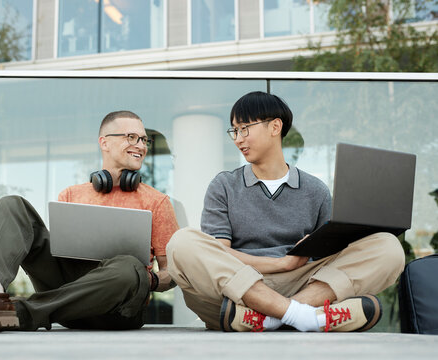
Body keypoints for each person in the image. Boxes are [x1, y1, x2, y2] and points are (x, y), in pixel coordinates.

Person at [166, 91, 405, 333]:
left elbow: (329, 255)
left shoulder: (316, 190)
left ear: (275, 127)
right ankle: (311, 317)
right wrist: (281, 264)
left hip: (304, 284)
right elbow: (221, 254)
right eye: (234, 131)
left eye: (245, 128)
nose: (238, 139)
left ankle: (271, 318)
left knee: (388, 247)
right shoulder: (224, 186)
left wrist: (300, 265)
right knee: (182, 242)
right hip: (241, 284)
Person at [0, 110, 179, 334]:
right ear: (104, 142)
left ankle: (18, 313)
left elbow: (174, 273)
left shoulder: (157, 201)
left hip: (118, 307)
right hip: (70, 293)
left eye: (144, 139)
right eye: (131, 137)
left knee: (129, 267)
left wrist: (151, 280)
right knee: (11, 204)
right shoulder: (71, 194)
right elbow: (60, 249)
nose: (141, 145)